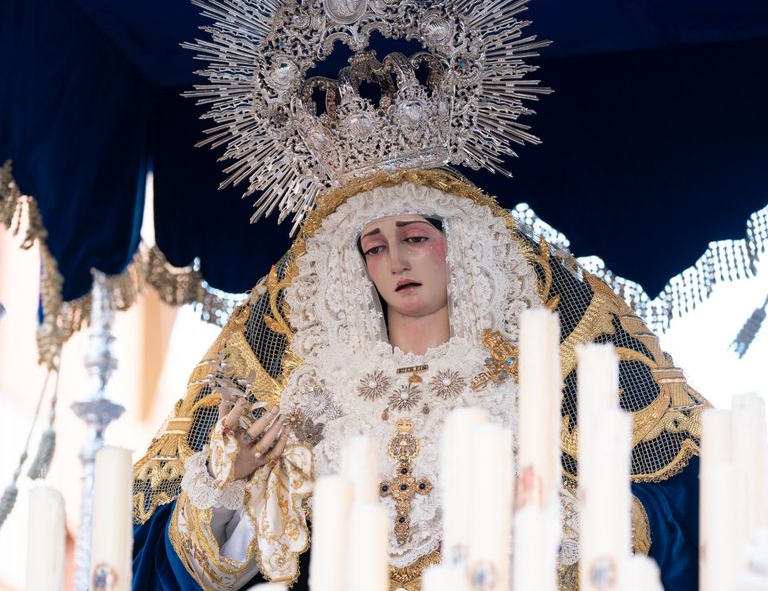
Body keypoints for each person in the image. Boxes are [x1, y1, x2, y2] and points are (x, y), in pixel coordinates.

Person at [132, 168, 702, 591]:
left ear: (460, 244)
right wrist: (233, 482)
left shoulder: (530, 381)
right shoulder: (314, 398)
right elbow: (216, 573)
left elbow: (670, 518)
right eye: (375, 247)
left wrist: (553, 517)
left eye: (415, 237)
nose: (396, 261)